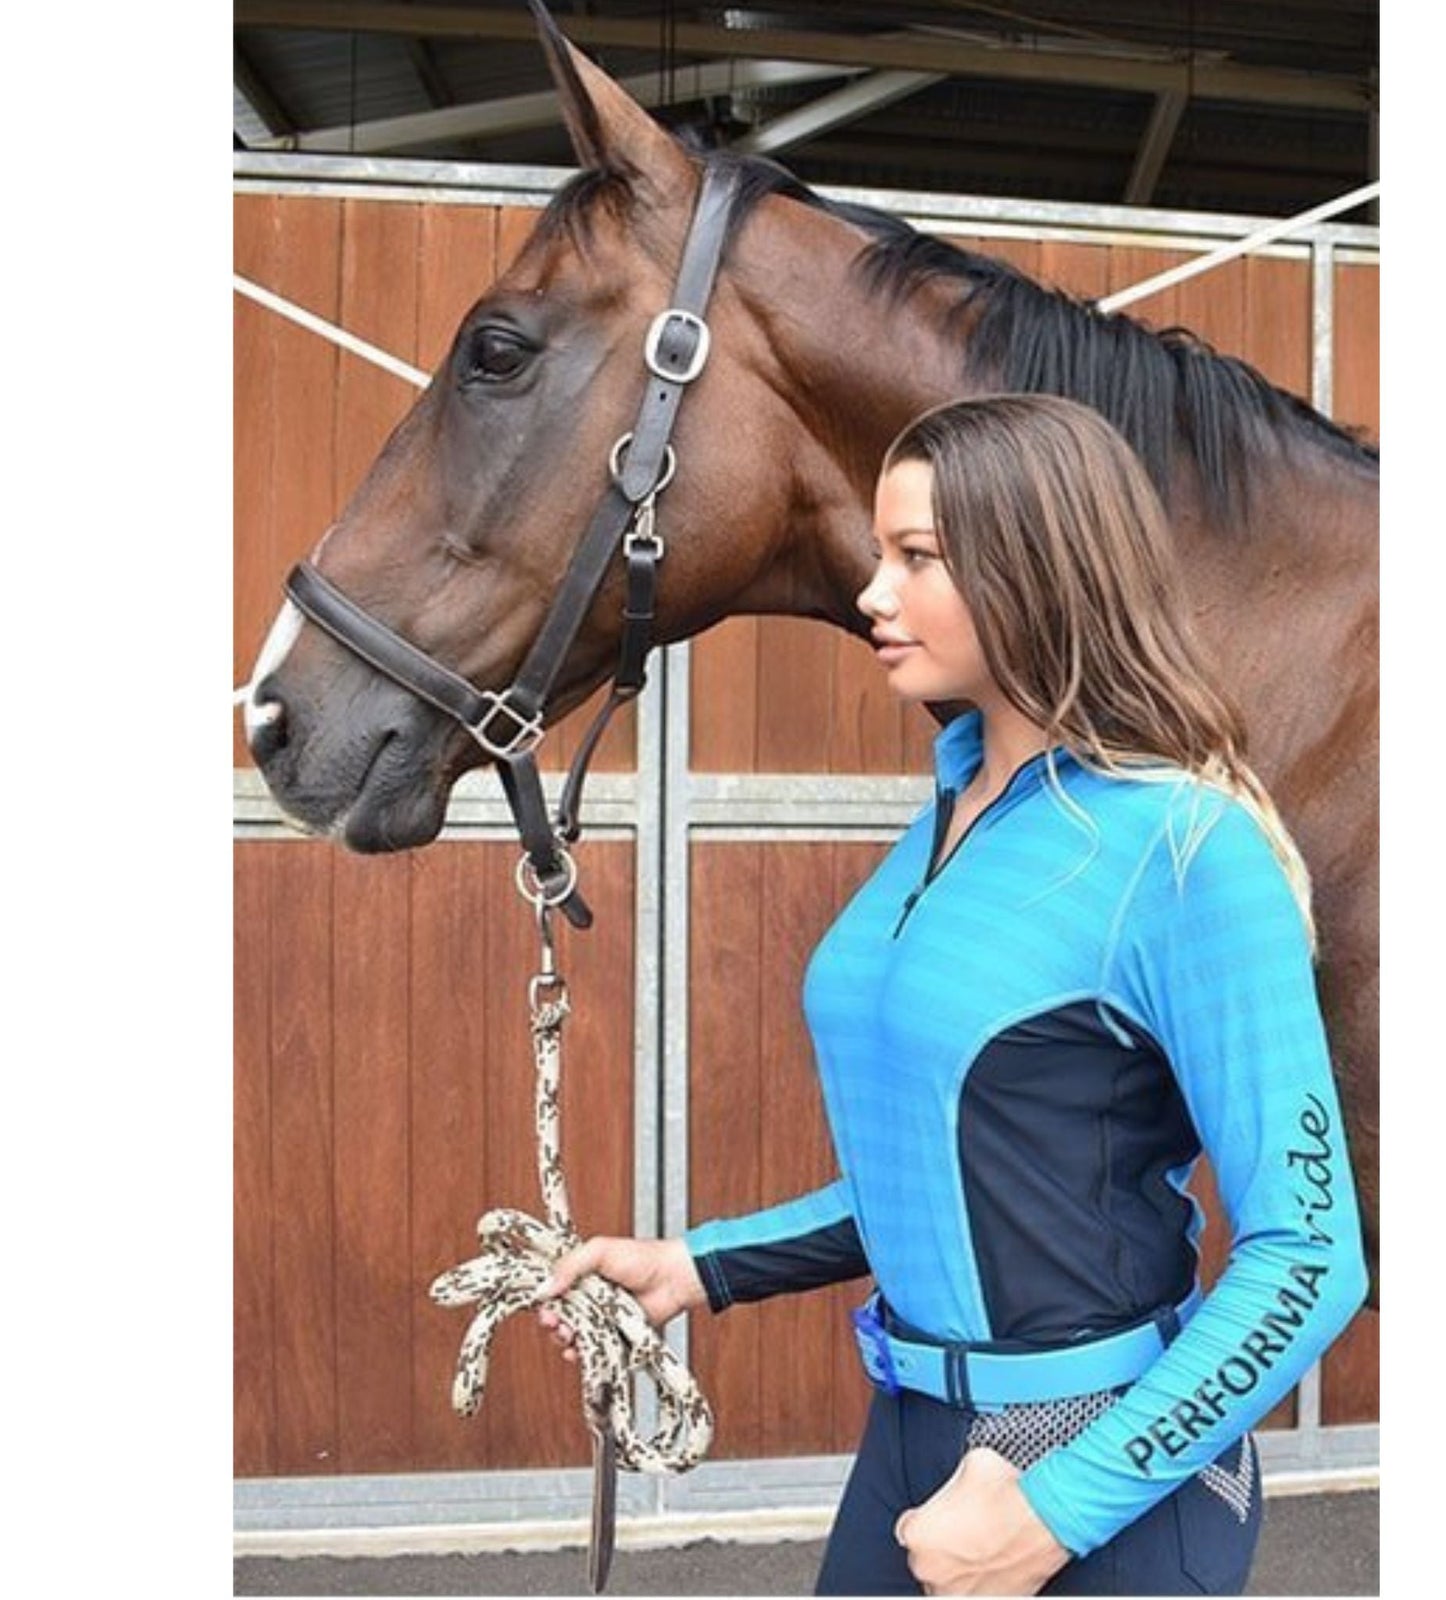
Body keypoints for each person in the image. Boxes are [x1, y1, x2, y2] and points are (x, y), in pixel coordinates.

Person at [536, 394, 1368, 1595]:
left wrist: (1055, 1511)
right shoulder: (945, 817)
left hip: (1104, 1473)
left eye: (916, 557)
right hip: (911, 1440)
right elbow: (952, 1171)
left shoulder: (1184, 850)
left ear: (1038, 566)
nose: (873, 593)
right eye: (883, 553)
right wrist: (694, 1265)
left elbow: (1308, 1258)